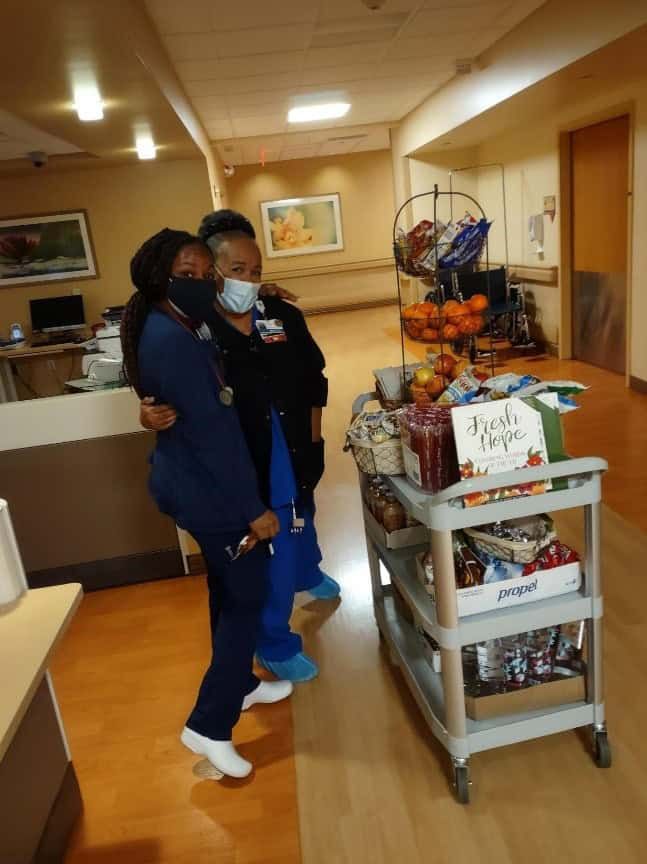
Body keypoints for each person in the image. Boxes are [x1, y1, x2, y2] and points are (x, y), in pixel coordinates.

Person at [121, 228, 292, 780]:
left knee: (227, 586)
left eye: (203, 274)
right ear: (158, 276)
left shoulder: (181, 323)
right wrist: (254, 511)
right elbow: (213, 437)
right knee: (247, 594)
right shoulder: (169, 337)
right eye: (185, 275)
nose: (198, 283)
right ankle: (209, 725)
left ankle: (240, 685)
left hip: (199, 485)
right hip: (212, 494)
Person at [140, 210, 340, 683]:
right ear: (212, 275)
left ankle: (308, 574)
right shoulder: (198, 328)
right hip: (248, 459)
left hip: (293, 445)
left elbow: (314, 381)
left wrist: (312, 442)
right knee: (270, 549)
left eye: (257, 273)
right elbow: (172, 394)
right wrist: (147, 412)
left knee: (300, 517)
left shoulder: (280, 315)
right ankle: (273, 641)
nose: (248, 282)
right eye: (236, 271)